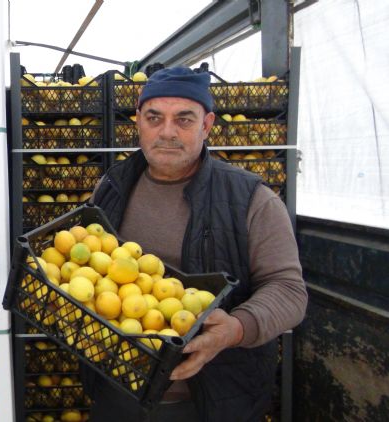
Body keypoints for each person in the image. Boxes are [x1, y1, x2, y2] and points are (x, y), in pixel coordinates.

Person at [84, 67, 308, 421]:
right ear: (138, 122)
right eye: (154, 118)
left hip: (211, 400)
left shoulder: (251, 199)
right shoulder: (111, 186)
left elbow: (289, 290)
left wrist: (236, 329)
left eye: (184, 120)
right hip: (117, 389)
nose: (167, 132)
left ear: (206, 126)